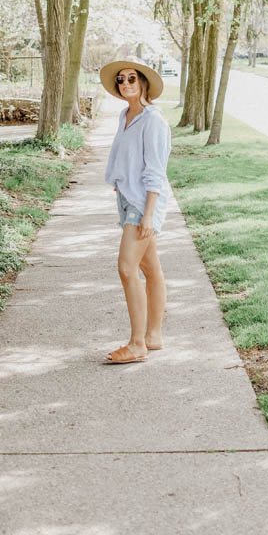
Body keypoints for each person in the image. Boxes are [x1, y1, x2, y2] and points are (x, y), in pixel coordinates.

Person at [99, 56, 172, 364]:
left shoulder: (153, 120)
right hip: (128, 198)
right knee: (150, 269)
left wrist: (148, 215)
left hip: (144, 203)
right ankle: (153, 336)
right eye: (121, 80)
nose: (125, 83)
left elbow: (156, 169)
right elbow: (126, 157)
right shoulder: (125, 116)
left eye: (131, 78)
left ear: (143, 83)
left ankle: (136, 343)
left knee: (127, 268)